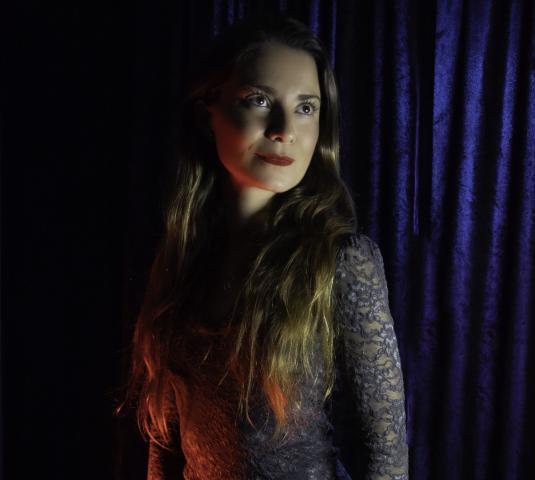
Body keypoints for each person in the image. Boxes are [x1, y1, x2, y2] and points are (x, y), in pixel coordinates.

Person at [120, 14, 408, 480]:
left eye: (306, 107)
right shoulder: (183, 259)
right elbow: (166, 445)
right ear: (206, 116)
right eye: (259, 100)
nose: (284, 129)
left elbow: (385, 456)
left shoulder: (340, 262)